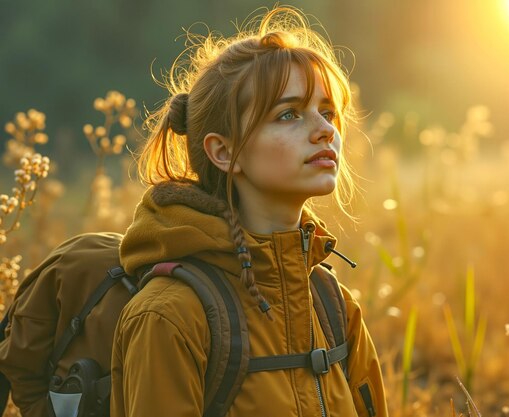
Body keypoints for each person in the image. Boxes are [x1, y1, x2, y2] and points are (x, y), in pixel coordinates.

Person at [110, 6, 388, 417]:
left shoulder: (334, 305)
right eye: (289, 114)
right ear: (224, 152)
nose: (326, 130)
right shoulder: (170, 315)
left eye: (327, 112)